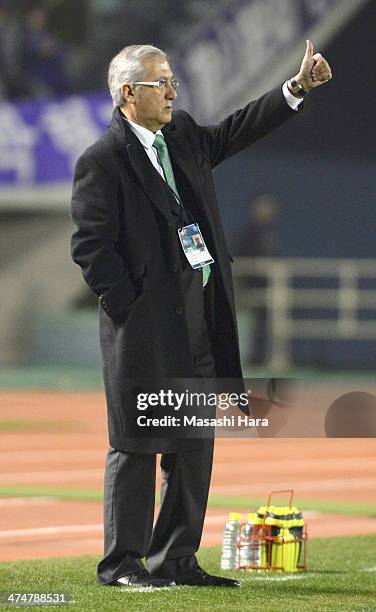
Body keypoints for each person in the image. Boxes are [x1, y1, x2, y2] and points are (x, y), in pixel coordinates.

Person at [71, 41, 332, 588]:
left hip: (200, 320)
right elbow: (92, 248)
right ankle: (121, 564)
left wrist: (297, 88)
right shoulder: (101, 161)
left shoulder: (183, 135)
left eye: (172, 81)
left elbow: (235, 130)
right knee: (139, 446)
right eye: (160, 83)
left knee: (192, 448)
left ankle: (177, 559)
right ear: (128, 94)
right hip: (145, 328)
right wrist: (130, 308)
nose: (171, 91)